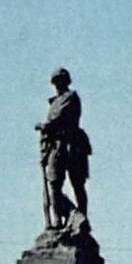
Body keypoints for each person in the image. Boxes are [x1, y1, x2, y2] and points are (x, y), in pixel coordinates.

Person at [37, 68, 91, 229]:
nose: (57, 84)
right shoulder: (53, 101)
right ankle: (59, 219)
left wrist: (43, 126)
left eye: (60, 80)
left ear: (66, 81)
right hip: (55, 146)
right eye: (55, 81)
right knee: (54, 183)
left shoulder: (71, 97)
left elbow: (57, 119)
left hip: (72, 144)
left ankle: (82, 219)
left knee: (77, 184)